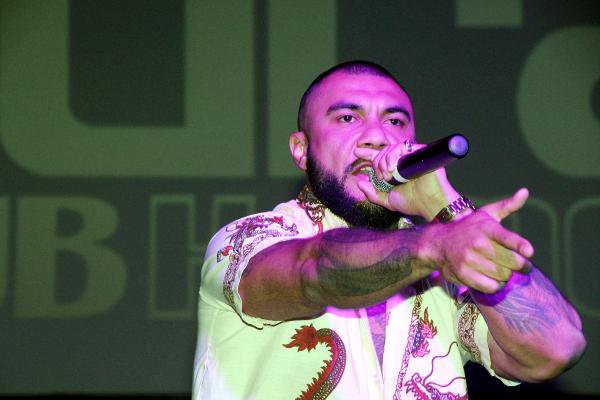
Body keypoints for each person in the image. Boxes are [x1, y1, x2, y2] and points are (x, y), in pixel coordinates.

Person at [193, 61, 586, 399]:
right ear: (301, 149)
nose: (377, 137)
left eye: (395, 121)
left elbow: (557, 350)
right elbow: (315, 269)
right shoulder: (251, 239)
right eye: (348, 118)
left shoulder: (441, 269)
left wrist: (445, 207)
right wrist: (437, 245)